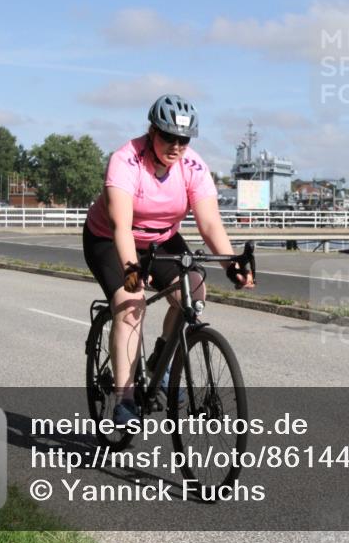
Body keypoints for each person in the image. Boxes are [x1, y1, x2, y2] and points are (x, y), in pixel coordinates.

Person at [83, 94, 254, 423]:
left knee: (194, 290)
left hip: (160, 239)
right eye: (168, 137)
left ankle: (160, 361)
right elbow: (121, 227)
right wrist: (132, 271)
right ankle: (124, 397)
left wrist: (232, 265)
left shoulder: (193, 167)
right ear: (152, 132)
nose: (176, 146)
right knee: (131, 304)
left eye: (184, 140)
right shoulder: (125, 160)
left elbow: (209, 224)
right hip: (109, 238)